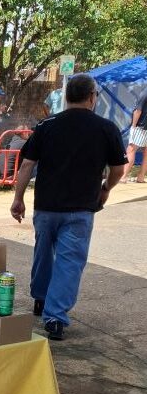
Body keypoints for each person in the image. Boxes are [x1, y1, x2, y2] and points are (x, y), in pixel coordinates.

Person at [10, 74, 126, 341]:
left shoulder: (47, 125)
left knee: (43, 251)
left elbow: (27, 164)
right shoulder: (105, 128)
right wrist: (106, 188)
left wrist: (18, 198)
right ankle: (55, 318)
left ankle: (40, 298)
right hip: (81, 208)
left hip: (47, 206)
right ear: (92, 97)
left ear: (67, 97)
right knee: (69, 261)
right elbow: (118, 168)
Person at [121, 91, 147, 183]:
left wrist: (133, 125)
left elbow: (138, 110)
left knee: (131, 150)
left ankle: (123, 177)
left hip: (141, 127)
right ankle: (141, 177)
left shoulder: (144, 93)